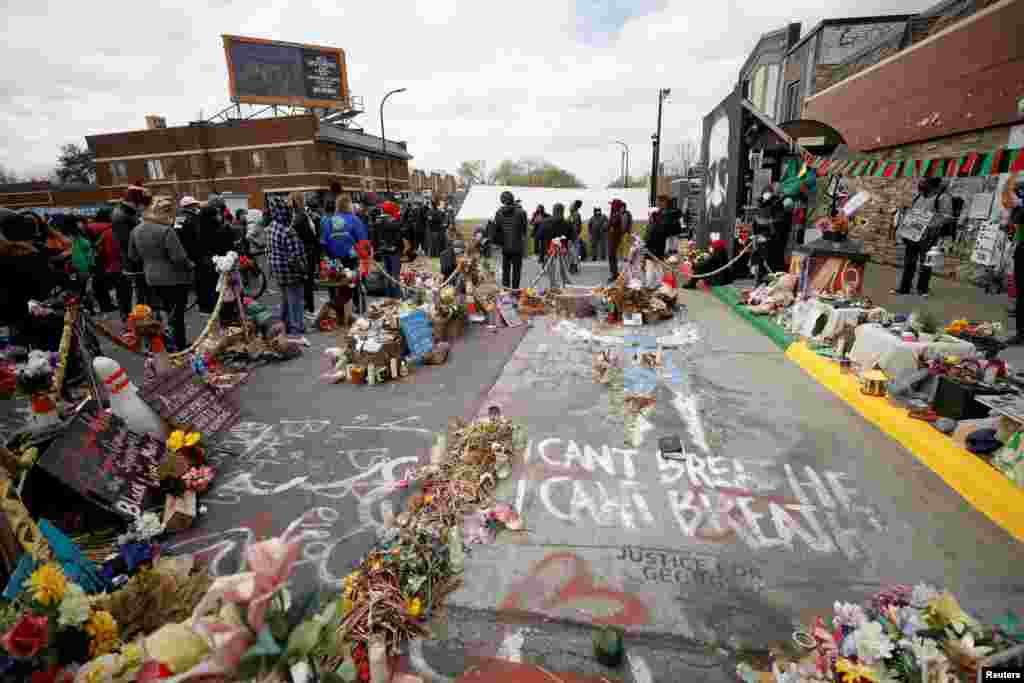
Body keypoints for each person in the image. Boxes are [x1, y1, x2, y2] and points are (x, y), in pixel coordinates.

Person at [127, 196, 195, 351]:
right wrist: (190, 265)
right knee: (176, 314)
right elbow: (178, 257)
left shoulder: (136, 230)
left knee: (159, 312)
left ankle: (162, 343)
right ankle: (179, 344)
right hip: (174, 278)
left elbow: (133, 256)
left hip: (151, 277)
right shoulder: (165, 230)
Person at [0, 209, 57, 345]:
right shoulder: (25, 255)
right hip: (16, 319)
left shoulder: (23, 254)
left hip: (15, 318)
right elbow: (41, 290)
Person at [892, 177, 954, 298]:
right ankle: (904, 288)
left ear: (933, 185)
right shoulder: (920, 196)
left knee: (925, 263)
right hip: (913, 235)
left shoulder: (943, 198)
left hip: (929, 236)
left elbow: (947, 217)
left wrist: (931, 224)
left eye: (924, 186)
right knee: (909, 262)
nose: (921, 190)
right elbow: (914, 212)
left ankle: (922, 289)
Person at [322, 194, 370, 315]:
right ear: (349, 205)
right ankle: (358, 308)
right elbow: (363, 240)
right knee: (354, 283)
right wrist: (364, 255)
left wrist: (329, 257)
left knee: (337, 284)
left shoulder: (329, 221)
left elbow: (323, 241)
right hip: (351, 257)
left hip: (334, 259)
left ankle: (338, 309)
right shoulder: (354, 219)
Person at [269, 198, 308, 337]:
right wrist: (304, 270)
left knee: (285, 299)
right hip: (291, 271)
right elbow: (296, 256)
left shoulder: (272, 226)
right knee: (295, 299)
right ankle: (296, 327)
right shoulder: (288, 231)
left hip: (278, 269)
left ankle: (284, 324)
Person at [112, 183, 148, 319]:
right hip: (134, 263)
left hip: (134, 261)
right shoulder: (122, 215)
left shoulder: (126, 213)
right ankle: (137, 322)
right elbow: (127, 242)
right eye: (139, 203)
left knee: (140, 295)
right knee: (137, 295)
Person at [289, 193, 319, 319]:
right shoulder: (304, 215)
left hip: (305, 251)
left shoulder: (299, 217)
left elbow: (306, 235)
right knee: (307, 281)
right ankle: (309, 307)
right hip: (309, 251)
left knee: (305, 282)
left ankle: (308, 308)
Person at [88, 209, 122, 314]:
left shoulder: (89, 227)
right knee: (112, 284)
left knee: (97, 284)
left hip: (93, 258)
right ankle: (109, 305)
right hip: (107, 259)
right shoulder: (110, 227)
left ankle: (103, 306)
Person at [492, 190, 528, 290]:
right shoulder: (521, 212)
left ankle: (506, 292)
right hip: (517, 246)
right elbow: (524, 231)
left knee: (506, 271)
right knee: (517, 271)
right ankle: (515, 292)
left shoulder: (499, 213)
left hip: (505, 246)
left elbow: (497, 230)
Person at [539, 203, 572, 289]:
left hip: (549, 252)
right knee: (564, 276)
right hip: (562, 252)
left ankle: (554, 291)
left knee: (552, 277)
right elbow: (571, 239)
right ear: (563, 211)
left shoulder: (545, 222)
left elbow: (539, 237)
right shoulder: (567, 223)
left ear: (553, 211)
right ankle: (564, 291)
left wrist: (542, 255)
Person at [377, 201, 404, 299]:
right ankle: (397, 295)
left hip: (383, 249)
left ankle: (388, 295)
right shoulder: (392, 221)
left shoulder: (378, 220)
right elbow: (399, 230)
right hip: (394, 250)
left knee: (387, 273)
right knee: (395, 274)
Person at [607, 199, 632, 283]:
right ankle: (614, 273)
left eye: (612, 205)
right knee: (612, 256)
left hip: (615, 238)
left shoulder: (617, 215)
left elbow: (612, 223)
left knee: (612, 256)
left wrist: (610, 221)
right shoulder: (616, 214)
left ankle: (614, 274)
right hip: (613, 238)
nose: (610, 207)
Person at [567, 200, 583, 274]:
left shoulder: (574, 215)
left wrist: (573, 234)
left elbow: (576, 226)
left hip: (572, 236)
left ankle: (573, 266)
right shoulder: (574, 214)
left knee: (572, 251)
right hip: (574, 235)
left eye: (572, 205)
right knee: (574, 251)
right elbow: (579, 227)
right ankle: (574, 265)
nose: (570, 207)